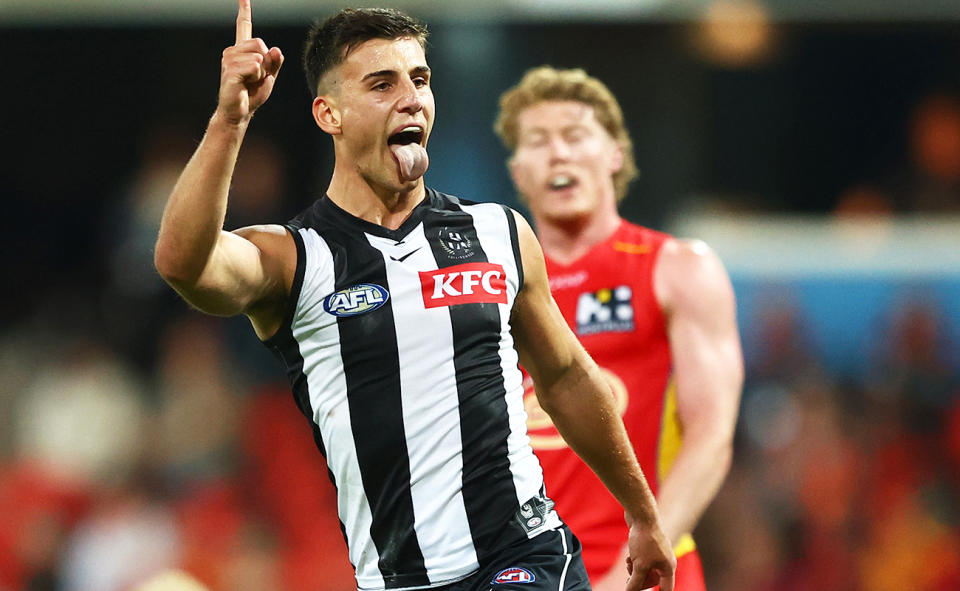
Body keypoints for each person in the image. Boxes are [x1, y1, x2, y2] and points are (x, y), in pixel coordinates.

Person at [153, 3, 676, 591]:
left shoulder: (498, 233)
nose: (411, 98)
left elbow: (567, 378)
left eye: (420, 80)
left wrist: (643, 513)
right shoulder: (294, 259)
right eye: (382, 84)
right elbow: (182, 263)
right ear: (330, 114)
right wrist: (231, 120)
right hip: (398, 579)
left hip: (522, 554)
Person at [494, 67, 743, 591]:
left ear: (615, 155)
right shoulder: (494, 291)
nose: (558, 153)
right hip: (529, 573)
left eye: (576, 135)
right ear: (517, 171)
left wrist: (632, 564)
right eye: (537, 141)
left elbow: (711, 438)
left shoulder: (676, 269)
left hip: (646, 573)